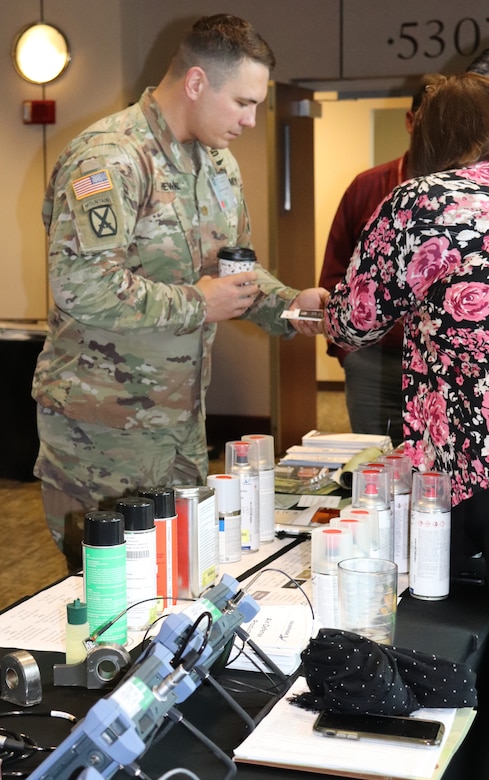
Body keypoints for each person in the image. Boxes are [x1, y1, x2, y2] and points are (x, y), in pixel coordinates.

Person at [32, 13, 326, 571]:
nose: (251, 119)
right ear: (195, 82)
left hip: (181, 432)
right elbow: (82, 285)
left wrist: (291, 304)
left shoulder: (218, 165)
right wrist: (199, 303)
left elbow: (237, 273)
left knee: (176, 595)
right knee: (110, 604)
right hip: (101, 439)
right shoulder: (110, 158)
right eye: (242, 102)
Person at [321, 72, 489, 582]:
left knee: (456, 605)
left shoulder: (423, 202)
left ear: (427, 136)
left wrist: (325, 315)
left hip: (472, 454)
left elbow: (354, 319)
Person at [319, 76, 443, 447]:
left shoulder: (469, 199)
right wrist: (348, 352)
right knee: (374, 465)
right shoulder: (369, 187)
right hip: (375, 361)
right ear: (410, 121)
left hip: (442, 366)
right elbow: (336, 273)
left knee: (436, 477)